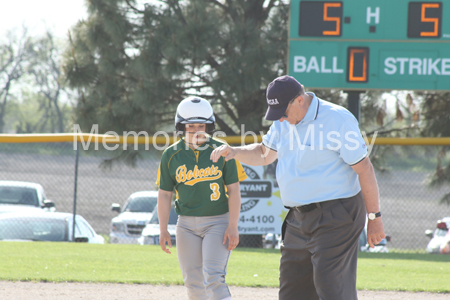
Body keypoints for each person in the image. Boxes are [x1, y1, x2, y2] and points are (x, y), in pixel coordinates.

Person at [210, 75, 385, 300]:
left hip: (337, 214)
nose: (280, 119)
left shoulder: (337, 119)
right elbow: (264, 154)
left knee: (330, 286)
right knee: (292, 291)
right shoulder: (283, 122)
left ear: (300, 100)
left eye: (283, 112)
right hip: (297, 218)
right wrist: (234, 152)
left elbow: (365, 169)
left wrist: (374, 217)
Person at [156, 96, 247, 300]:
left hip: (217, 222)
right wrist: (163, 229)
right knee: (193, 282)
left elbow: (234, 191)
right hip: (186, 224)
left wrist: (233, 226)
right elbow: (164, 194)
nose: (197, 129)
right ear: (181, 127)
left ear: (209, 126)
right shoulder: (171, 154)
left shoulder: (223, 151)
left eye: (202, 125)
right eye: (191, 125)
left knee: (214, 277)